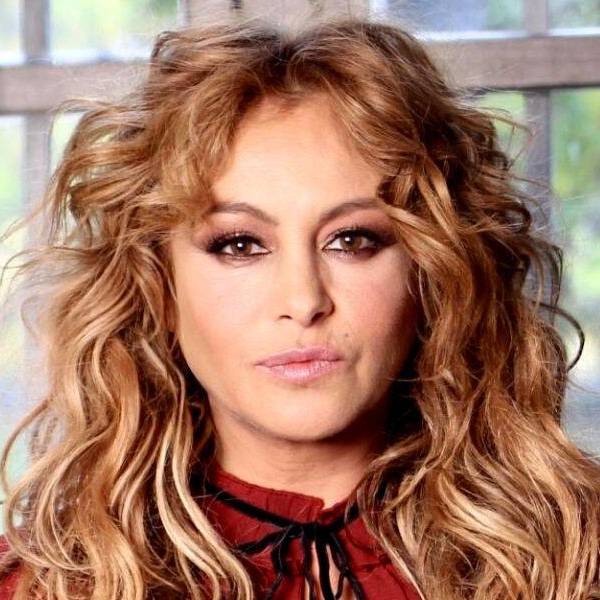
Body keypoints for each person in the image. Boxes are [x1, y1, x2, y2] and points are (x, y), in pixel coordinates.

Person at [1, 12, 599, 600]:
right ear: (158, 284)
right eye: (239, 244)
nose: (304, 300)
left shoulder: (575, 554)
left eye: (353, 240)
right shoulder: (40, 586)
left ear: (432, 272)